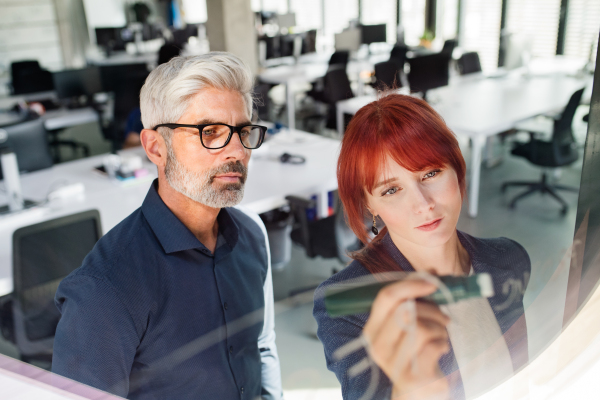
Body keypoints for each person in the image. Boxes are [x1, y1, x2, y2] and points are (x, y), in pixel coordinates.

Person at [52, 53, 282, 400]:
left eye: (243, 130)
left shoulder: (252, 234)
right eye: (211, 131)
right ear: (156, 147)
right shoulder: (106, 289)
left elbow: (261, 347)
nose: (237, 150)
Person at [313, 94, 530, 400]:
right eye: (391, 190)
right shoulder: (347, 304)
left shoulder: (508, 259)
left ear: (457, 168)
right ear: (369, 206)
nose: (423, 204)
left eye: (430, 173)